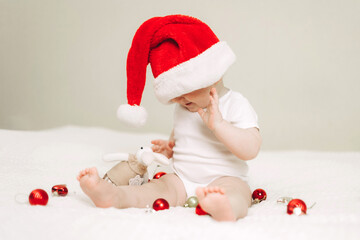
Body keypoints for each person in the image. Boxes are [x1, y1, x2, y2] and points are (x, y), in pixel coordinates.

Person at [77, 14, 261, 222]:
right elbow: (184, 136)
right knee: (157, 188)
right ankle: (115, 195)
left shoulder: (235, 103)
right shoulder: (184, 107)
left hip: (226, 178)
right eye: (174, 95)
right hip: (182, 179)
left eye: (186, 90)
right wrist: (170, 147)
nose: (179, 99)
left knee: (237, 192)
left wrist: (219, 125)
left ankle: (225, 207)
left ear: (214, 76)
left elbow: (251, 149)